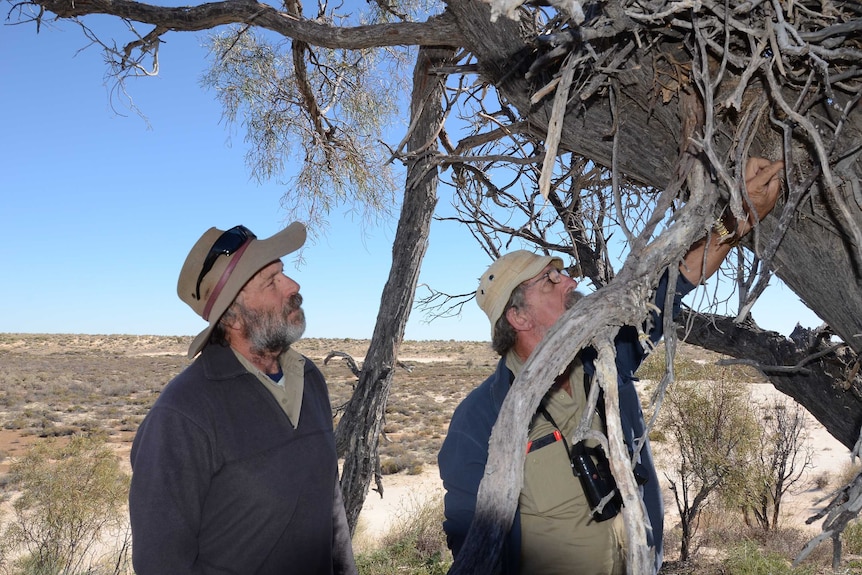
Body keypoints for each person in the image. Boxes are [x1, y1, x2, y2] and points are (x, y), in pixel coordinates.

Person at [438, 157, 784, 575]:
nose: (570, 281)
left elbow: (673, 283)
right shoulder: (479, 421)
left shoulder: (603, 359)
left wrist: (738, 219)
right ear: (519, 318)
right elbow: (471, 545)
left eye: (562, 273)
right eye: (550, 279)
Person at [128, 222, 357, 575]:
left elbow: (330, 508)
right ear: (232, 316)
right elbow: (162, 563)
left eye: (284, 274)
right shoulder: (183, 415)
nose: (293, 287)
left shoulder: (309, 379)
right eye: (271, 281)